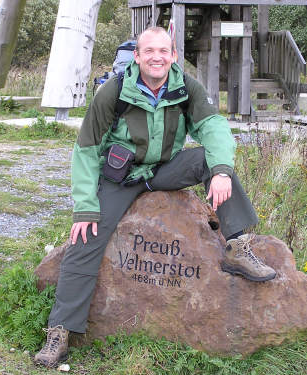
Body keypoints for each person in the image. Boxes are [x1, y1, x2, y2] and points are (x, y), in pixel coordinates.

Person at [34, 26, 276, 368]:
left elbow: (213, 127)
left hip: (163, 170)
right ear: (137, 56)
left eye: (164, 51)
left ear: (173, 55)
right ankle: (59, 331)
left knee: (216, 162)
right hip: (120, 178)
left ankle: (236, 247)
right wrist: (85, 207)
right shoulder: (114, 91)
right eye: (149, 51)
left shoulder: (186, 87)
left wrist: (221, 169)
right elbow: (86, 150)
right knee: (84, 239)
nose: (157, 57)